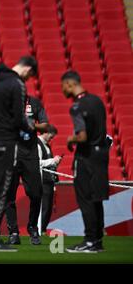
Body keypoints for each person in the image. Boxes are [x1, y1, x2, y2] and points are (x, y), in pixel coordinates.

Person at [0, 56, 37, 252]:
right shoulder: (17, 84)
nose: (28, 78)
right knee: (3, 189)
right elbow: (18, 118)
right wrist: (30, 126)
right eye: (30, 74)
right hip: (6, 140)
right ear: (27, 68)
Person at [61, 70, 110, 253]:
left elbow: (82, 136)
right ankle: (97, 241)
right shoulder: (97, 101)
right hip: (101, 155)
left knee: (86, 199)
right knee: (97, 198)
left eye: (63, 86)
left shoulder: (77, 106)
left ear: (70, 84)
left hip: (86, 157)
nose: (63, 90)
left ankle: (89, 240)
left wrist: (70, 139)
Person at [5, 95, 49, 246]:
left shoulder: (35, 103)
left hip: (30, 155)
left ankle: (32, 227)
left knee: (36, 194)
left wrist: (31, 125)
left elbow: (45, 125)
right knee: (9, 195)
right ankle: (14, 232)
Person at [37, 125, 62, 233]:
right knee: (45, 206)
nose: (51, 139)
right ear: (46, 132)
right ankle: (39, 229)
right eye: (51, 137)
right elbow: (37, 163)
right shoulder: (37, 144)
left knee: (48, 207)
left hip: (49, 181)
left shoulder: (46, 145)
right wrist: (53, 161)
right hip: (42, 180)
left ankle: (42, 229)